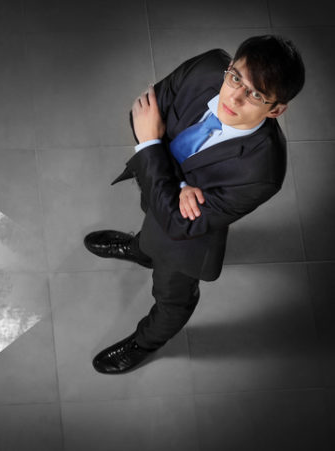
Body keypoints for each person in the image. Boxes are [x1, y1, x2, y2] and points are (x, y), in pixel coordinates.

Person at [85, 35, 305, 374]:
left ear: (276, 109)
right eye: (236, 78)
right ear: (229, 66)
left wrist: (151, 146)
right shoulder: (206, 68)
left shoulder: (262, 173)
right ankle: (142, 250)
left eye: (256, 94)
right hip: (164, 195)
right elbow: (140, 114)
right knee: (152, 219)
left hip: (189, 239)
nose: (235, 96)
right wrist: (182, 183)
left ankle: (146, 342)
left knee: (173, 298)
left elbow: (179, 224)